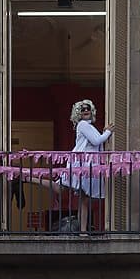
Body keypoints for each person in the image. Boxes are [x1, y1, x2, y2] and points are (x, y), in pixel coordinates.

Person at [22, 99, 113, 232]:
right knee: (75, 195)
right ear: (78, 113)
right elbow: (96, 140)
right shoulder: (83, 124)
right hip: (82, 164)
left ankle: (28, 178)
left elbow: (96, 143)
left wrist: (104, 133)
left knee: (74, 195)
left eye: (88, 108)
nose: (86, 111)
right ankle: (82, 231)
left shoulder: (87, 126)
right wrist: (108, 132)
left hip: (86, 163)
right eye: (82, 109)